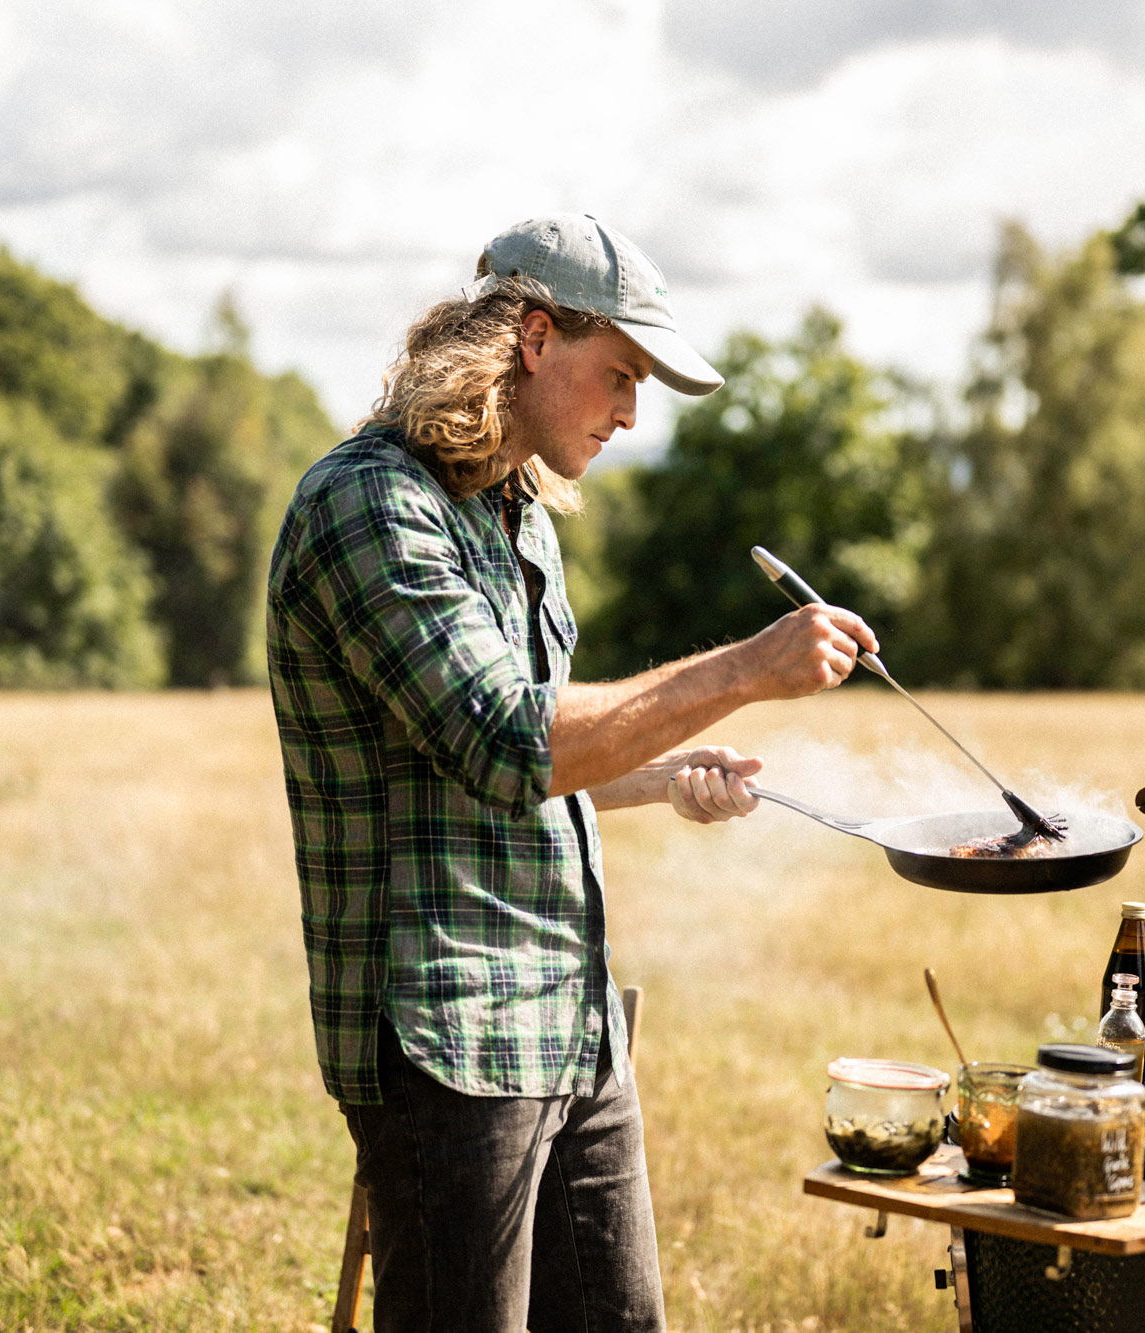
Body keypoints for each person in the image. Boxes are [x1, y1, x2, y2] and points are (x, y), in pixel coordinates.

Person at [265, 214, 877, 1333]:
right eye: (620, 374)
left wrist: (654, 766)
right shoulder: (369, 507)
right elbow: (506, 740)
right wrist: (745, 666)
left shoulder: (518, 516)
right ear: (534, 339)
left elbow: (506, 764)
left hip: (573, 1023)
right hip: (448, 1038)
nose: (633, 412)